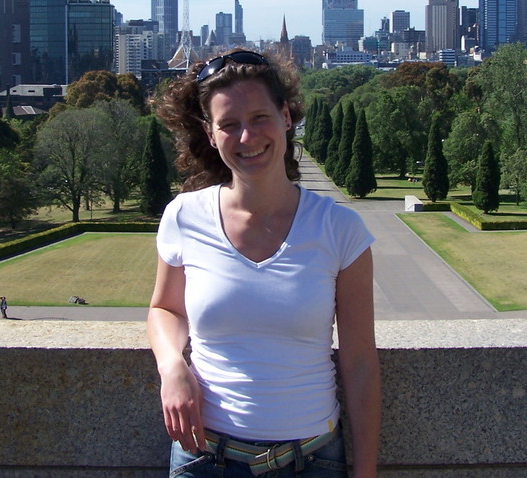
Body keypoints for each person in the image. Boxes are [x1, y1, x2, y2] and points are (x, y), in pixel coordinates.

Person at [148, 50, 380, 478]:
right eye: (229, 125)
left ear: (287, 116)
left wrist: (364, 473)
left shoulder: (339, 229)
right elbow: (165, 309)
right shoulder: (184, 216)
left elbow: (360, 363)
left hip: (311, 461)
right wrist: (172, 367)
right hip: (204, 460)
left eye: (259, 118)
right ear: (210, 133)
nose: (246, 137)